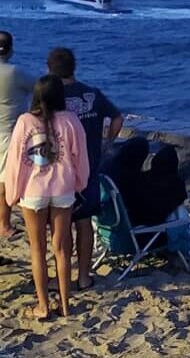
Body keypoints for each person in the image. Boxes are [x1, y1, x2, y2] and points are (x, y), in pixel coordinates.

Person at [4, 75, 89, 319]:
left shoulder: (25, 121)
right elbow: (80, 157)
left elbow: (16, 162)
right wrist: (80, 183)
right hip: (63, 190)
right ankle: (65, 304)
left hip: (33, 192)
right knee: (62, 249)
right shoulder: (71, 120)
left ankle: (43, 306)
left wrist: (12, 194)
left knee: (38, 251)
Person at [47, 47, 123, 291]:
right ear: (74, 67)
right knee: (84, 222)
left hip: (59, 170)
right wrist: (106, 142)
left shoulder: (51, 98)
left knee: (62, 224)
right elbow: (118, 118)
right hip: (89, 165)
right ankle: (84, 276)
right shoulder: (92, 93)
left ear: (50, 69)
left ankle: (63, 275)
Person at [0, 31, 34, 242]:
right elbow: (41, 87)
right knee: (4, 181)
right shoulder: (14, 72)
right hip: (8, 134)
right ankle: (4, 224)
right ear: (10, 49)